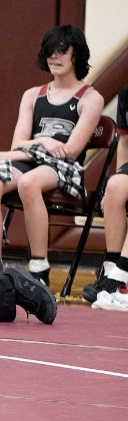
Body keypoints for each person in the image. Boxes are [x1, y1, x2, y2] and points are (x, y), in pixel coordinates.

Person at [0, 25, 101, 287]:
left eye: (62, 51)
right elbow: (18, 144)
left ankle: (39, 269)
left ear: (77, 56)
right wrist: (44, 141)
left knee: (28, 182)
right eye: (50, 51)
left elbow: (71, 150)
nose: (54, 57)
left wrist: (28, 147)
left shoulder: (90, 97)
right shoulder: (32, 95)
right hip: (29, 160)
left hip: (65, 168)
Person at [87, 82, 128, 308]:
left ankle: (122, 275)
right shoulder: (126, 92)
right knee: (114, 187)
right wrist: (121, 174)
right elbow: (125, 142)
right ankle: (111, 269)